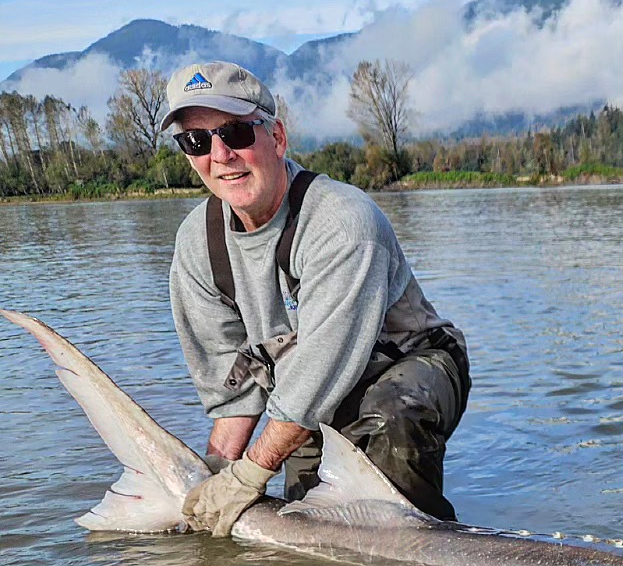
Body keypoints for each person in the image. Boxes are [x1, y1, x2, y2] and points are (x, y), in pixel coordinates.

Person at [163, 60, 470, 534]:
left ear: (277, 137)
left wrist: (252, 472)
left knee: (391, 421)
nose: (220, 154)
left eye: (237, 133)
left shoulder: (342, 222)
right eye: (197, 141)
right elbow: (235, 393)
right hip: (301, 393)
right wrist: (216, 479)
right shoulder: (195, 245)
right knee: (310, 531)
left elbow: (325, 363)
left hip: (406, 368)